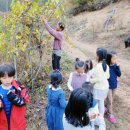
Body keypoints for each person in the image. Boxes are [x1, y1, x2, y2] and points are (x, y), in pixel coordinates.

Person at [0, 63, 29, 130]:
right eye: (4, 78)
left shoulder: (18, 88)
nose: (7, 80)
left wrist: (16, 98)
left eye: (10, 77)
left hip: (17, 124)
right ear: (0, 78)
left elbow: (25, 100)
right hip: (2, 124)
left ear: (13, 76)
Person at [90, 48, 110, 116]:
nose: (95, 56)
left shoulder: (98, 66)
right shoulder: (107, 66)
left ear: (98, 56)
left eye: (96, 55)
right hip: (105, 88)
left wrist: (90, 80)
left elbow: (97, 79)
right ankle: (101, 118)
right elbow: (107, 77)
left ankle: (94, 118)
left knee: (95, 103)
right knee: (101, 102)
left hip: (98, 88)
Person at [106, 51, 121, 123]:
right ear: (109, 59)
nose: (115, 60)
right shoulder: (106, 66)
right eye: (114, 59)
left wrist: (118, 67)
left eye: (116, 59)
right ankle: (110, 114)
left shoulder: (115, 66)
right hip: (108, 86)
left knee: (112, 99)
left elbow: (119, 74)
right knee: (110, 101)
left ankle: (106, 107)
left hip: (114, 85)